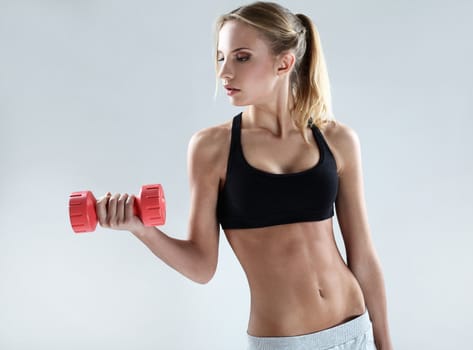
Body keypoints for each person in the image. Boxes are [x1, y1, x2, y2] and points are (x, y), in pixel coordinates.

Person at [95, 2, 393, 349]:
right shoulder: (212, 148)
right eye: (221, 57)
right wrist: (141, 229)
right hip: (283, 343)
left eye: (241, 57)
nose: (224, 73)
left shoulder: (337, 140)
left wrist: (385, 344)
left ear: (284, 62)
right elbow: (201, 266)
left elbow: (364, 257)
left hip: (353, 333)